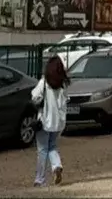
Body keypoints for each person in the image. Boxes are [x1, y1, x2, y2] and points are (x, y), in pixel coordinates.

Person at [31, 55, 69, 187]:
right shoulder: (63, 84)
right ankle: (56, 165)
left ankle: (40, 179)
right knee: (52, 146)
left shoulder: (44, 83)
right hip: (58, 122)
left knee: (42, 150)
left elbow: (35, 97)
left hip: (44, 120)